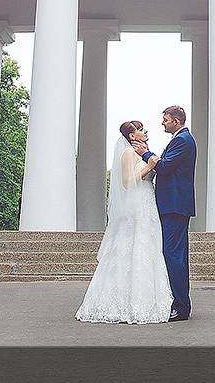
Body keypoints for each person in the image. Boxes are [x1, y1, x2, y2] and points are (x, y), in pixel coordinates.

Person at [75, 120, 173, 324]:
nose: (145, 131)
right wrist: (149, 167)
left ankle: (148, 300)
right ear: (132, 136)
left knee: (148, 246)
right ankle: (122, 302)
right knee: (133, 246)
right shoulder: (128, 153)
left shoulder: (141, 152)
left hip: (148, 201)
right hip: (137, 203)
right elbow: (127, 182)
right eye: (140, 130)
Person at [131, 105, 196, 322]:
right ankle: (178, 303)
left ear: (176, 121)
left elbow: (165, 167)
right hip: (173, 205)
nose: (162, 123)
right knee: (174, 254)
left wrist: (145, 153)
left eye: (165, 119)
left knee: (173, 255)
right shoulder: (180, 139)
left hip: (174, 205)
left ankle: (180, 306)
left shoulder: (183, 140)